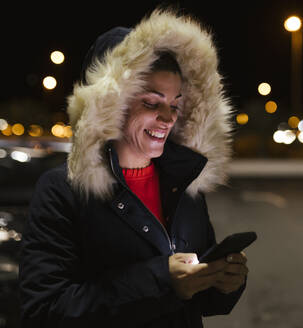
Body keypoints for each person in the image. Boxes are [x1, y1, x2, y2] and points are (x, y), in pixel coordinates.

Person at [18, 8, 249, 328]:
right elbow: (44, 310)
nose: (168, 118)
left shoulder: (184, 184)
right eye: (152, 103)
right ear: (109, 105)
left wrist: (225, 284)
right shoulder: (63, 190)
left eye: (175, 104)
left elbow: (198, 300)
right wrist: (161, 281)